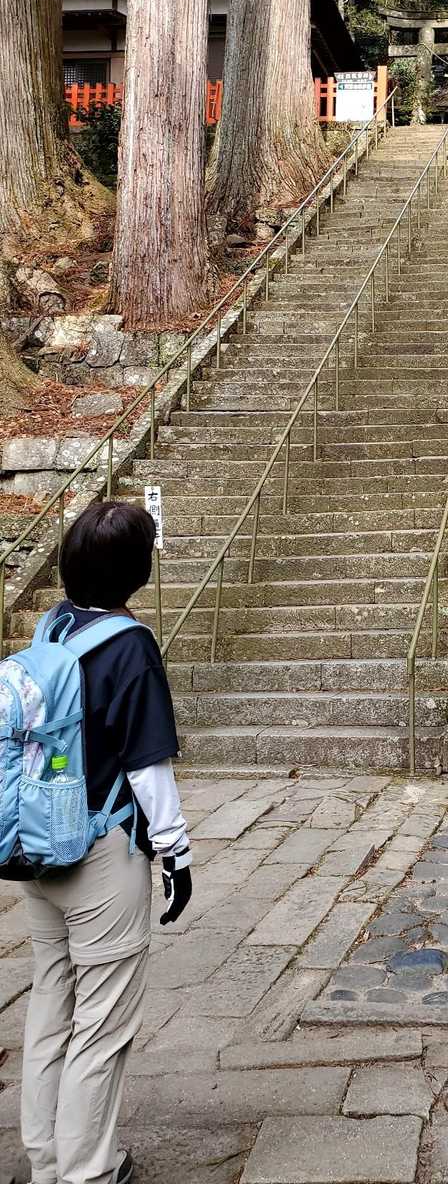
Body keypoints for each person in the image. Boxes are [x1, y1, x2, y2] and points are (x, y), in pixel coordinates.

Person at [19, 500, 192, 1184]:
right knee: (101, 1021)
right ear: (136, 572)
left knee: (51, 1005)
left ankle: (46, 1162)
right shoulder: (130, 645)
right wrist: (175, 853)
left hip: (40, 844)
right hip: (102, 852)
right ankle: (88, 1172)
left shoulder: (52, 628)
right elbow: (148, 767)